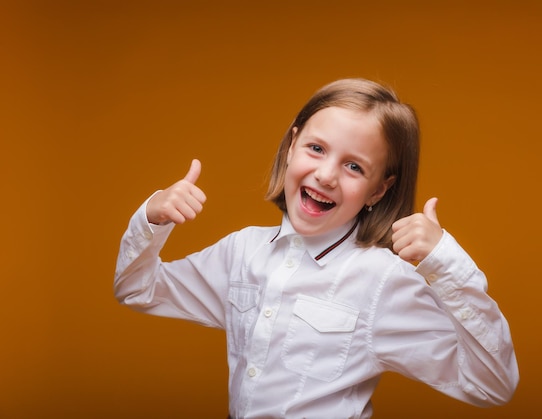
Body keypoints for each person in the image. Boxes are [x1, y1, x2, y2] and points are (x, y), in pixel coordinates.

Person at [114, 78, 519, 418]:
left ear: (379, 189)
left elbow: (492, 385)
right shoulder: (241, 252)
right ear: (292, 146)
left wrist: (445, 263)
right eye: (317, 149)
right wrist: (152, 216)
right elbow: (137, 289)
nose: (326, 175)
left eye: (354, 166)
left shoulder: (382, 280)